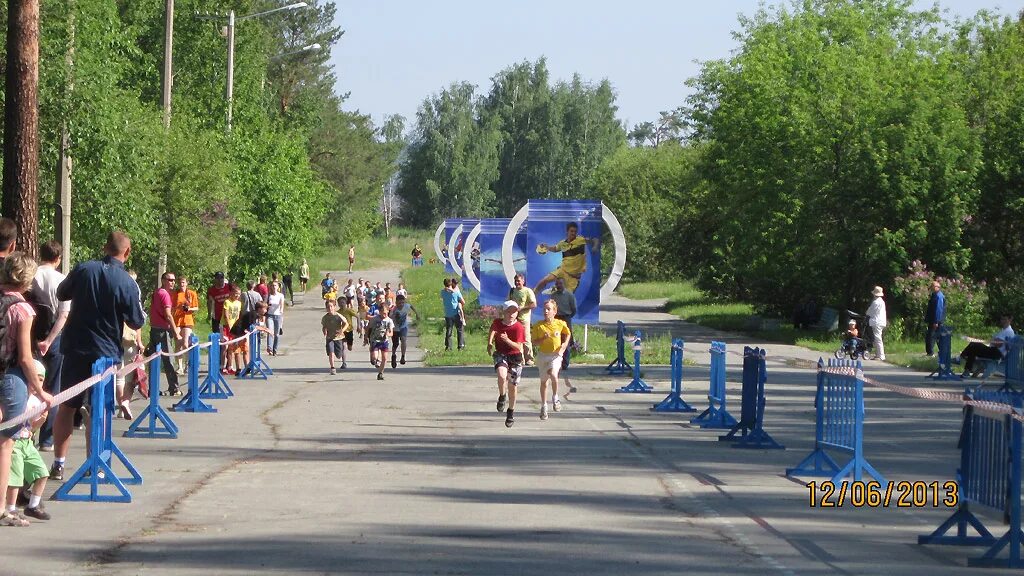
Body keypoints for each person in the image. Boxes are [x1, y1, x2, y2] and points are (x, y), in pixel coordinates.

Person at [51, 232, 145, 482]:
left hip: (75, 348)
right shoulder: (126, 282)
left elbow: (61, 293)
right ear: (128, 252)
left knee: (67, 406)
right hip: (105, 353)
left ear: (105, 248)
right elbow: (136, 320)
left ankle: (58, 463)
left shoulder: (84, 269)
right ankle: (96, 463)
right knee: (99, 409)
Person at [0, 254, 54, 525]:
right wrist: (40, 391)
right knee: (6, 441)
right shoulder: (23, 310)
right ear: (28, 280)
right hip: (10, 376)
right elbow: (24, 357)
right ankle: (3, 508)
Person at [31, 240, 70, 452]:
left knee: (31, 384)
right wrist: (50, 340)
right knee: (53, 387)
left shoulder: (31, 276)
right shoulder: (61, 280)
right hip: (53, 339)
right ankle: (46, 439)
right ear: (58, 258)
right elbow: (63, 315)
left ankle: (26, 431)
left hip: (31, 336)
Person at [6, 360, 52, 522]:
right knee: (15, 478)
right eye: (33, 379)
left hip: (28, 442)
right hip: (15, 443)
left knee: (42, 473)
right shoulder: (16, 398)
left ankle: (33, 505)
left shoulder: (36, 402)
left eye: (40, 380)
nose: (36, 383)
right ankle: (11, 508)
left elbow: (32, 428)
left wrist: (42, 418)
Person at [531, 300, 571, 420]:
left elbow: (568, 334)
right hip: (543, 355)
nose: (546, 311)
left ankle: (555, 397)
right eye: (544, 309)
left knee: (554, 374)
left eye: (549, 309)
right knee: (544, 382)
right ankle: (544, 406)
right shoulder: (539, 325)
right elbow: (534, 342)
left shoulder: (560, 323)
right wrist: (543, 338)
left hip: (556, 355)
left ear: (555, 311)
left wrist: (564, 345)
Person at [533, 222, 599, 295]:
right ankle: (532, 296)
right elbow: (555, 249)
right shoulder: (562, 243)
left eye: (575, 231)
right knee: (544, 281)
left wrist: (595, 247)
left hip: (573, 277)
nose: (573, 233)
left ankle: (555, 288)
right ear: (567, 231)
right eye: (571, 231)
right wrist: (547, 247)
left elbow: (595, 240)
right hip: (563, 270)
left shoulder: (581, 240)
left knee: (566, 297)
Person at [489, 301, 526, 428]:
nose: (511, 314)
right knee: (501, 374)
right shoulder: (498, 323)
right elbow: (493, 330)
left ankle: (510, 412)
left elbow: (518, 346)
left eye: (514, 312)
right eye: (509, 311)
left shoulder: (519, 327)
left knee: (512, 386)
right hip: (501, 353)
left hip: (515, 356)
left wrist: (507, 340)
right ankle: (502, 395)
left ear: (517, 313)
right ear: (504, 312)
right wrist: (489, 343)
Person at [149, 272, 182, 396]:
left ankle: (153, 389)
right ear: (163, 280)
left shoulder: (157, 292)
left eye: (174, 280)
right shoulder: (165, 295)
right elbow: (168, 315)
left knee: (154, 360)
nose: (173, 282)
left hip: (154, 329)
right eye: (170, 280)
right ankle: (174, 388)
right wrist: (175, 332)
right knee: (169, 360)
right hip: (163, 331)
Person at [172, 275, 199, 375]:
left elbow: (196, 307)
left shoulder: (191, 293)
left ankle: (188, 363)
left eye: (183, 283)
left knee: (185, 342)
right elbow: (173, 306)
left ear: (186, 283)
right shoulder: (176, 294)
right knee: (178, 342)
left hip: (187, 320)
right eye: (180, 283)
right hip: (177, 320)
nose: (182, 285)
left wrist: (189, 309)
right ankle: (179, 366)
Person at [548, 277, 577, 371]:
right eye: (557, 284)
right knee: (555, 340)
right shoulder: (553, 296)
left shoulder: (569, 295)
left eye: (560, 284)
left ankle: (565, 364)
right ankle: (555, 362)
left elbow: (574, 309)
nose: (558, 286)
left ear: (564, 284)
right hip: (556, 319)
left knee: (566, 341)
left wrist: (568, 317)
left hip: (566, 318)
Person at [508, 274, 537, 365]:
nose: (517, 283)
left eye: (519, 281)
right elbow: (508, 302)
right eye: (516, 281)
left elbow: (533, 304)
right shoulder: (512, 291)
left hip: (524, 318)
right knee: (516, 339)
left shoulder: (528, 291)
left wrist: (522, 308)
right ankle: (519, 358)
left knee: (526, 338)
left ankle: (529, 358)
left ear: (523, 281)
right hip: (514, 318)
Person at [321, 299, 349, 375]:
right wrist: (324, 330)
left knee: (339, 355)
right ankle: (332, 368)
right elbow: (324, 326)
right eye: (328, 307)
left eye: (331, 306)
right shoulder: (325, 318)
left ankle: (341, 356)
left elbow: (346, 324)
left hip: (338, 338)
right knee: (331, 352)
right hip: (330, 338)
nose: (329, 308)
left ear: (334, 307)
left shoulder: (338, 316)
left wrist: (342, 330)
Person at [366, 303, 394, 380]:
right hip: (374, 340)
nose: (384, 314)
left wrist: (388, 334)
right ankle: (375, 359)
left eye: (385, 313)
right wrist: (366, 337)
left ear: (388, 311)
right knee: (375, 356)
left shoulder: (389, 321)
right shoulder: (375, 319)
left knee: (385, 358)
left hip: (384, 341)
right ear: (379, 311)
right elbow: (368, 328)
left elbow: (391, 332)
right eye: (382, 312)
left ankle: (380, 373)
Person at [390, 294, 418, 368]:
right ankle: (393, 355)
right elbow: (389, 317)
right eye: (399, 303)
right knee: (395, 344)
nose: (401, 304)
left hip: (403, 327)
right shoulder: (394, 309)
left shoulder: (406, 306)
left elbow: (411, 306)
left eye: (402, 302)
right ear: (396, 303)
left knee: (403, 339)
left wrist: (417, 314)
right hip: (395, 329)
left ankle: (403, 356)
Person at [222, 285, 243, 374]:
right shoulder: (227, 302)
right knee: (225, 346)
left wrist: (237, 327)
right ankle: (222, 366)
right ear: (231, 293)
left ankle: (230, 366)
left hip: (234, 327)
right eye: (235, 294)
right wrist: (229, 326)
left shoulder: (238, 303)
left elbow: (237, 316)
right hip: (225, 326)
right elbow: (226, 315)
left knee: (232, 347)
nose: (237, 296)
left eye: (238, 294)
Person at [440, 278, 465, 351]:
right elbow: (463, 302)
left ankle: (448, 347)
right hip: (456, 313)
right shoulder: (456, 292)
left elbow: (443, 293)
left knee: (449, 330)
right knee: (459, 330)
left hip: (448, 314)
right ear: (452, 284)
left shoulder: (442, 292)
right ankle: (460, 346)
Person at [866, 285, 887, 361]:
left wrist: (867, 313)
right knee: (877, 338)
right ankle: (878, 354)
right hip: (880, 321)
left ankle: (881, 355)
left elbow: (869, 312)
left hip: (877, 321)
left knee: (877, 338)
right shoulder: (881, 301)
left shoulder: (875, 302)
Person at [925, 280, 946, 357]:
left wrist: (936, 321)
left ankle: (930, 353)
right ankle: (943, 352)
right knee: (937, 337)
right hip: (934, 320)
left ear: (937, 287)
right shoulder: (935, 295)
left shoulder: (939, 296)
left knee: (931, 336)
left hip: (936, 321)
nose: (931, 288)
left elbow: (938, 309)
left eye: (933, 287)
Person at [339, 298, 359, 369]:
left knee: (349, 347)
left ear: (346, 303)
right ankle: (344, 363)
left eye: (343, 302)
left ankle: (350, 345)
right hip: (342, 331)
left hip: (349, 330)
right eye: (340, 303)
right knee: (343, 346)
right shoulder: (338, 312)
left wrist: (358, 326)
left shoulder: (349, 310)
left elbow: (358, 317)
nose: (341, 304)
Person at [266, 282, 285, 356]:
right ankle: (269, 348)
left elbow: (281, 303)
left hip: (278, 315)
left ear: (278, 287)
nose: (274, 287)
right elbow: (265, 304)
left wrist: (281, 310)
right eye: (272, 286)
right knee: (270, 331)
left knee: (276, 334)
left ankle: (275, 349)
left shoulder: (280, 295)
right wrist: (267, 306)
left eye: (275, 285)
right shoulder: (269, 296)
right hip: (270, 315)